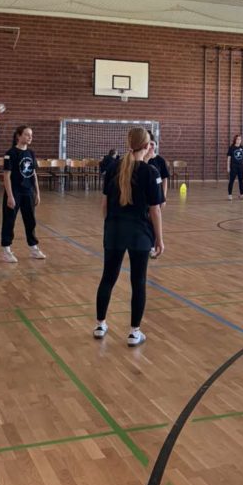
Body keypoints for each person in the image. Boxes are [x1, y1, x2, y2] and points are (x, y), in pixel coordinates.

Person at [94, 126, 164, 347]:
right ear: (146, 145)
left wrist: (109, 227)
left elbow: (104, 204)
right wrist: (159, 239)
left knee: (108, 278)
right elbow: (155, 210)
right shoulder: (150, 172)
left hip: (114, 231)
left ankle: (100, 325)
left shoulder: (114, 167)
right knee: (138, 282)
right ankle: (134, 332)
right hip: (139, 233)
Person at [1, 126, 46, 262]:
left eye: (31, 135)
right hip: (15, 192)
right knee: (9, 221)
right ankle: (6, 250)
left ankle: (33, 248)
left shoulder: (31, 153)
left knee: (30, 221)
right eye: (27, 134)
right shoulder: (10, 153)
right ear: (18, 136)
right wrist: (10, 196)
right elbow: (6, 176)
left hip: (28, 192)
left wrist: (37, 193)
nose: (30, 137)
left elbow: (33, 174)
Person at [226, 133, 243, 200]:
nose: (239, 140)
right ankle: (230, 195)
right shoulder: (231, 148)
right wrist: (228, 167)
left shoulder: (242, 148)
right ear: (235, 140)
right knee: (231, 181)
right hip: (233, 167)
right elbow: (229, 158)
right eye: (238, 139)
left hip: (241, 167)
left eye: (240, 139)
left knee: (241, 181)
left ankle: (242, 194)